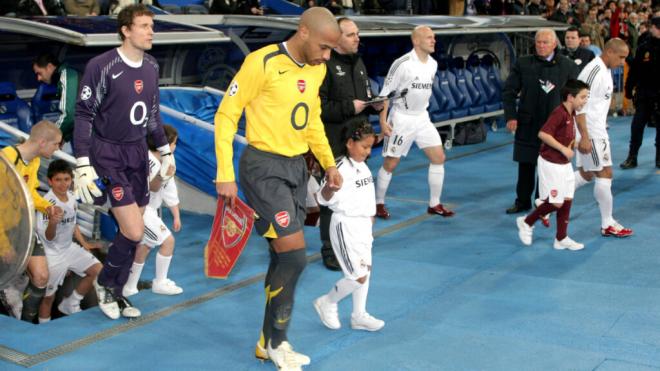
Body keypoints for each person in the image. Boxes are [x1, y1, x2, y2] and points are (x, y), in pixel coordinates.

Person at [214, 7, 342, 370]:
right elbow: (226, 114)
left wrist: (329, 162)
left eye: (331, 50)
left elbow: (312, 118)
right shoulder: (263, 62)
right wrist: (224, 173)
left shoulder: (316, 69)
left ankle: (264, 342)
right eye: (323, 47)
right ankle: (278, 342)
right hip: (262, 168)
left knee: (281, 258)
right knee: (294, 256)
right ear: (303, 32)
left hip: (296, 168)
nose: (327, 56)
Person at [74, 4, 175, 320]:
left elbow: (154, 116)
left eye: (152, 25)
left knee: (137, 229)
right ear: (126, 30)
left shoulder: (152, 66)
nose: (150, 31)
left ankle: (116, 291)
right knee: (133, 229)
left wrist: (166, 151)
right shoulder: (101, 66)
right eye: (144, 26)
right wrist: (82, 161)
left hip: (137, 155)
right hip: (108, 155)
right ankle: (105, 283)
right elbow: (83, 115)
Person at [318, 17, 383, 271]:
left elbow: (362, 98)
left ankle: (350, 239)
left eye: (357, 34)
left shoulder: (358, 62)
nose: (357, 38)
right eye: (350, 35)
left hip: (357, 143)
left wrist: (372, 104)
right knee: (333, 194)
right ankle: (329, 249)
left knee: (357, 191)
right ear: (336, 40)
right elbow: (319, 108)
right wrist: (350, 107)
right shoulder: (324, 66)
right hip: (334, 143)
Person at [374, 25, 455, 220]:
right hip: (401, 119)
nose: (433, 40)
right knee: (391, 164)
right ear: (416, 41)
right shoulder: (402, 64)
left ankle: (434, 204)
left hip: (422, 118)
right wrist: (383, 122)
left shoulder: (433, 64)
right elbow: (385, 95)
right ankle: (378, 203)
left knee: (438, 157)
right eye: (428, 37)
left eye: (434, 37)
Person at [313, 120, 385, 333]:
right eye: (364, 146)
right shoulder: (339, 168)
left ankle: (358, 315)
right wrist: (330, 189)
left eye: (371, 147)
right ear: (349, 143)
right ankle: (327, 301)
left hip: (363, 226)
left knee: (366, 271)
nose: (368, 152)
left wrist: (371, 217)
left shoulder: (362, 166)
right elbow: (322, 197)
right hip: (346, 226)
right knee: (357, 276)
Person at [503, 28, 578, 214]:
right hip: (528, 124)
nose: (541, 46)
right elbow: (509, 91)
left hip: (555, 128)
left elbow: (575, 97)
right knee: (526, 165)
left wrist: (572, 124)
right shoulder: (523, 63)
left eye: (545, 42)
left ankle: (542, 202)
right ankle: (522, 201)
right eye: (538, 42)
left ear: (554, 44)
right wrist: (511, 116)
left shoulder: (568, 66)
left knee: (548, 168)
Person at [516, 79, 590, 251]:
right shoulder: (559, 113)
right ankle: (526, 222)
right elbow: (543, 134)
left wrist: (578, 145)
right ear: (571, 97)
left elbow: (564, 137)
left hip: (564, 164)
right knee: (556, 203)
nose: (585, 101)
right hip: (551, 163)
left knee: (567, 200)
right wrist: (564, 149)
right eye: (583, 97)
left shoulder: (571, 113)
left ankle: (561, 238)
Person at [2, 120, 62, 323]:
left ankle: (27, 323)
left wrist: (47, 207)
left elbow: (29, 193)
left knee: (41, 277)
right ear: (43, 142)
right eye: (56, 144)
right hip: (2, 231)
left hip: (20, 227)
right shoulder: (5, 160)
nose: (58, 148)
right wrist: (4, 244)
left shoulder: (34, 161)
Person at [573, 38, 633, 238]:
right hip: (590, 132)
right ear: (609, 52)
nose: (623, 62)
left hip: (596, 130)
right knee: (605, 173)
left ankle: (547, 202)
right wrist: (584, 137)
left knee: (586, 174)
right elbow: (579, 107)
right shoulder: (593, 72)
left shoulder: (605, 70)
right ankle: (608, 223)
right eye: (621, 57)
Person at [36, 160, 103, 324]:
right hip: (53, 254)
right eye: (58, 180)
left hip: (70, 248)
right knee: (48, 299)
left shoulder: (72, 197)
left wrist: (84, 244)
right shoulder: (47, 204)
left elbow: (73, 224)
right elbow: (48, 237)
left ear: (71, 180)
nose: (63, 184)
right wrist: (52, 222)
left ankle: (71, 303)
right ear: (50, 181)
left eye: (66, 179)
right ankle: (45, 331)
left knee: (98, 270)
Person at [123, 125, 183, 297]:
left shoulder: (169, 159)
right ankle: (160, 282)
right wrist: (163, 175)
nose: (175, 147)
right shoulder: (146, 161)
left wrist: (176, 215)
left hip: (151, 209)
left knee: (146, 245)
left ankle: (130, 287)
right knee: (168, 241)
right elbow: (152, 187)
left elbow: (169, 190)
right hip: (138, 208)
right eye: (173, 143)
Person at [620, 16, 660, 169]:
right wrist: (628, 90)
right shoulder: (644, 47)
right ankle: (632, 157)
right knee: (637, 126)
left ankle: (659, 158)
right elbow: (634, 71)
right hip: (644, 94)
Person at [32, 53, 80, 146]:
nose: (38, 78)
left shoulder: (67, 76)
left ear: (49, 67)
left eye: (39, 73)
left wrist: (52, 139)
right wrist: (63, 137)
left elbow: (69, 114)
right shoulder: (68, 75)